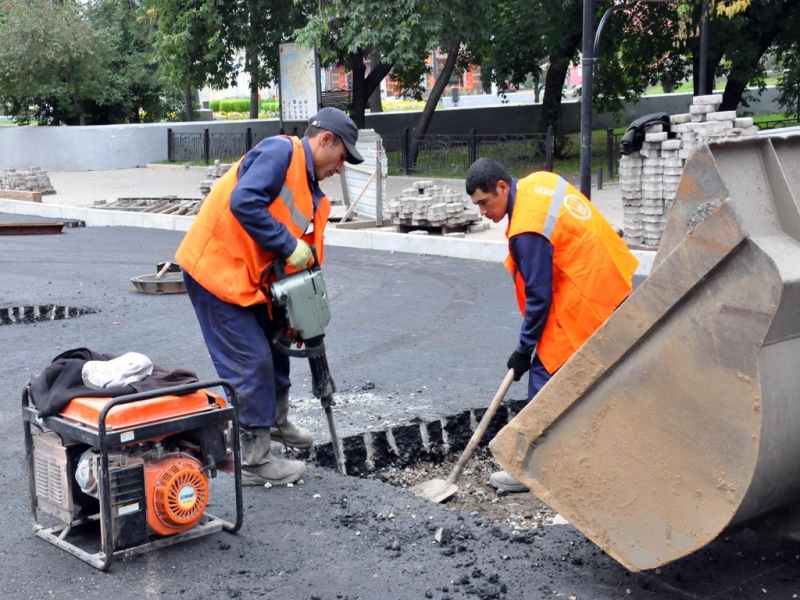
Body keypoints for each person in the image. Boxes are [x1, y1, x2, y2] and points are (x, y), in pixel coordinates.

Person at [175, 107, 363, 486]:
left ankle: (274, 422)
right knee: (251, 360)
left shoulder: (311, 191)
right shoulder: (281, 153)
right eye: (342, 157)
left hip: (248, 278)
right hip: (216, 270)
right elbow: (244, 201)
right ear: (325, 140)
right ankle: (254, 459)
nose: (341, 167)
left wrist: (296, 312)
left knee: (277, 347)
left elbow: (300, 256)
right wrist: (287, 244)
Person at [465, 158, 638, 492]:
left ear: (502, 187)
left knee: (544, 377)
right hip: (609, 280)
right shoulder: (538, 183)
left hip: (586, 298)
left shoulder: (526, 228)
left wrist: (523, 350)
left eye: (484, 203)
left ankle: (530, 468)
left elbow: (539, 296)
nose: (482, 213)